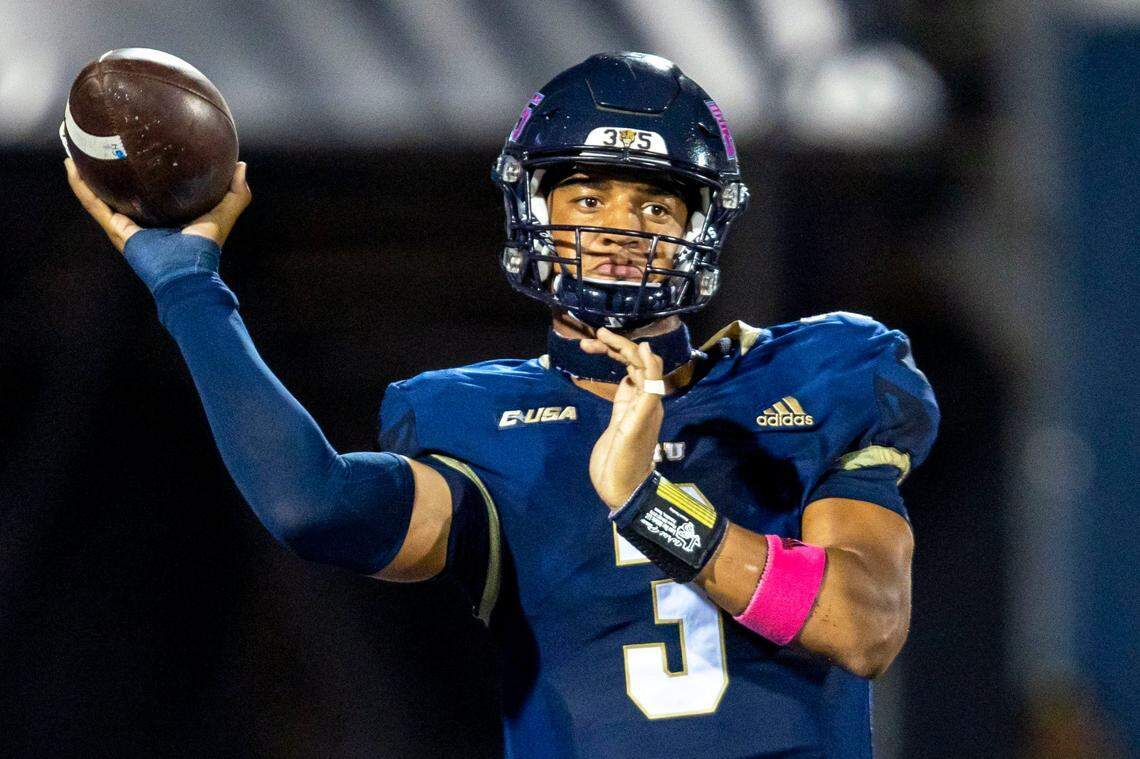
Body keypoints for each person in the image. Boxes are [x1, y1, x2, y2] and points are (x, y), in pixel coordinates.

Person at [66, 52, 939, 759]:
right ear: (535, 209)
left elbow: (863, 627)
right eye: (589, 197)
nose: (620, 228)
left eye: (654, 202)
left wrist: (651, 506)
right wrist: (188, 287)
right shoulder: (480, 424)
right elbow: (311, 505)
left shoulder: (821, 374)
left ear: (699, 224)